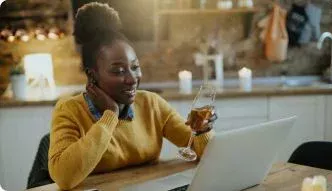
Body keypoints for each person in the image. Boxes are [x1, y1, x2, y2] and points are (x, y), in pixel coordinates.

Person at [48, 2, 217, 190]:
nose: (132, 79)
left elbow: (206, 153)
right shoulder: (70, 110)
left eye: (135, 67)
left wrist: (202, 132)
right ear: (92, 75)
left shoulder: (151, 104)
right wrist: (109, 116)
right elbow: (64, 177)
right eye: (118, 71)